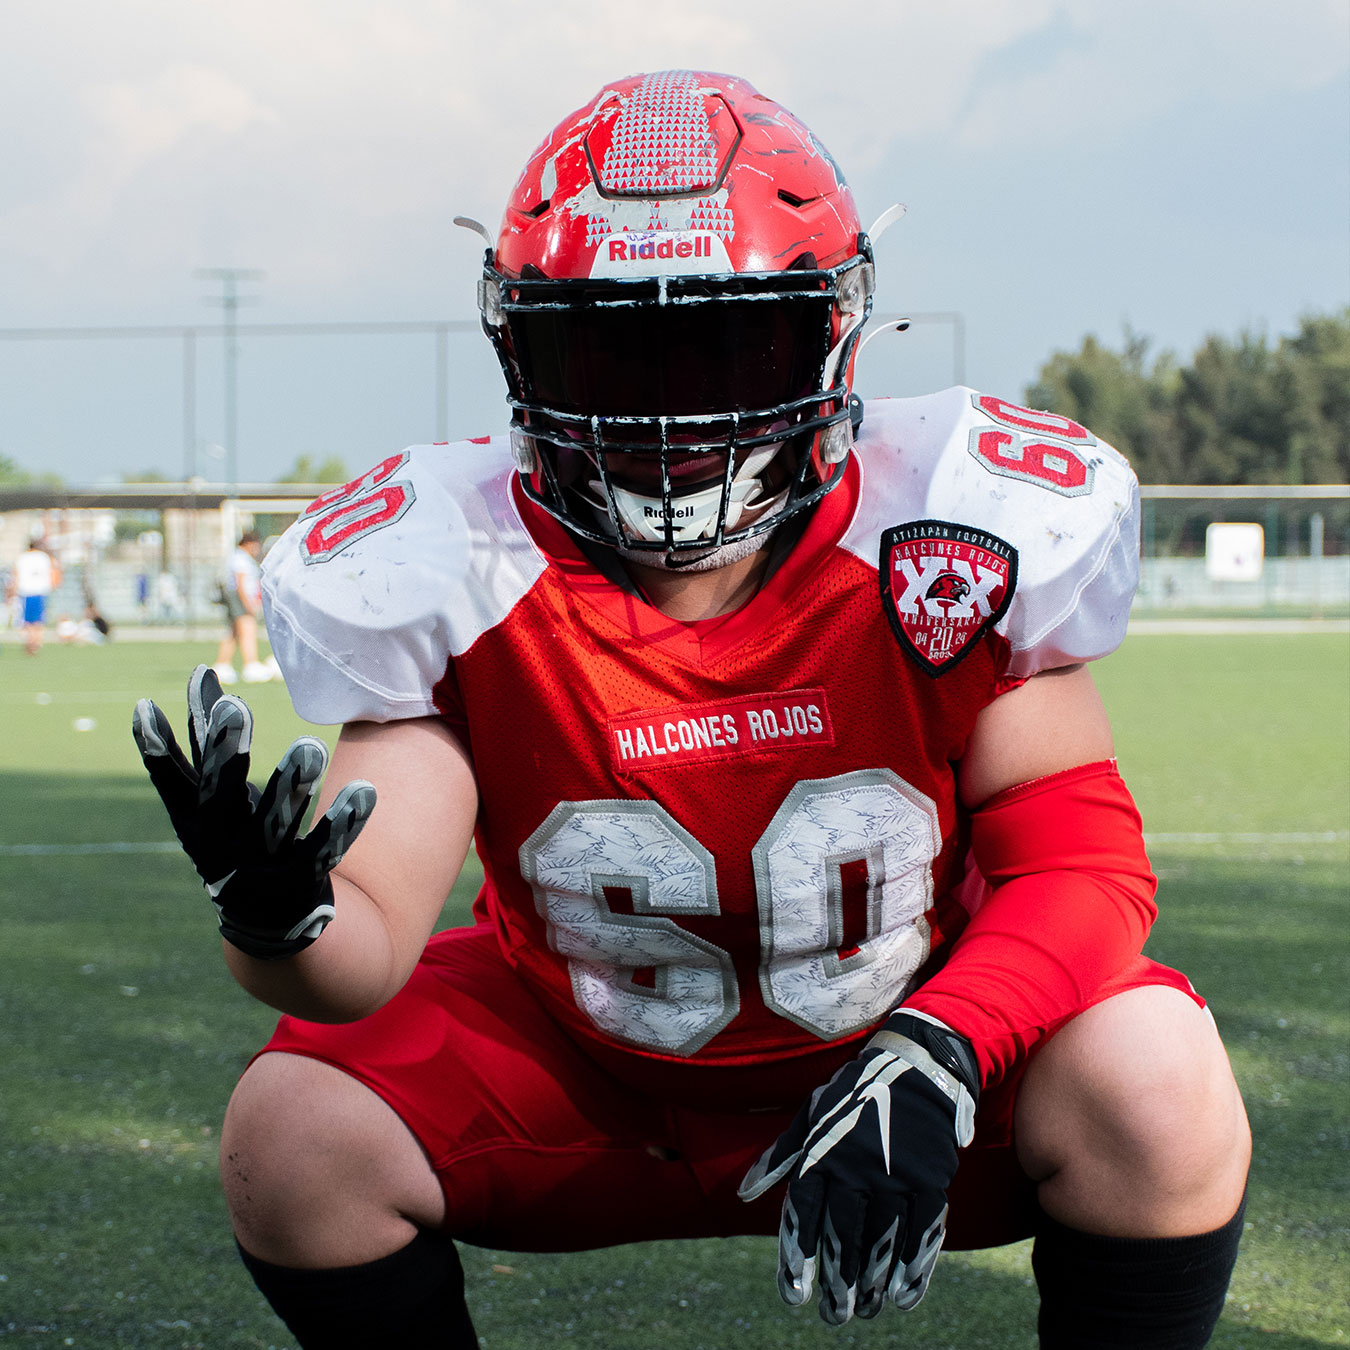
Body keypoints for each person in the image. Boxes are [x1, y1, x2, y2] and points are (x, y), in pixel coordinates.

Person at [133, 70, 1250, 1349]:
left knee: (1157, 1076)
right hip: (591, 1075)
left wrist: (948, 1045)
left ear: (831, 335)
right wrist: (280, 918)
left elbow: (1084, 861)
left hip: (915, 1067)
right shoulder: (459, 567)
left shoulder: (939, 531)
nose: (672, 415)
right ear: (522, 350)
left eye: (727, 345)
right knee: (295, 1132)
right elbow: (360, 949)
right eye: (610, 349)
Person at [213, 529, 275, 684]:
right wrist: (248, 603)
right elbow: (240, 583)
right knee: (248, 629)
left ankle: (222, 664)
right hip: (240, 597)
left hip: (239, 597)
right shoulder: (240, 558)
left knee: (234, 631)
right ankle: (250, 664)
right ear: (248, 543)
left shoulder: (240, 557)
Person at [11, 534, 61, 655]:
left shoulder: (22, 557)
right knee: (38, 620)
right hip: (40, 591)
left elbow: (16, 575)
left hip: (26, 591)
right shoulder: (44, 557)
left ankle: (30, 641)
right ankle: (36, 642)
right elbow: (53, 571)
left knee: (27, 621)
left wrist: (13, 590)